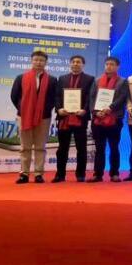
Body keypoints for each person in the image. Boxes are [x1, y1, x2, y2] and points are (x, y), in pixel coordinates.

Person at [10, 50, 57, 184]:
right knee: (25, 147)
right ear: (31, 61)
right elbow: (14, 96)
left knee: (40, 147)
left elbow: (54, 98)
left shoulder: (52, 80)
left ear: (45, 62)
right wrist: (23, 109)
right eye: (36, 60)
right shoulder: (21, 78)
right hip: (24, 116)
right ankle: (24, 174)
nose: (38, 62)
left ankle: (38, 174)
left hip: (44, 117)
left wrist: (44, 110)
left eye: (41, 60)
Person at [52, 55, 94, 183]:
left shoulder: (89, 79)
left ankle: (80, 174)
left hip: (80, 118)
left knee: (81, 148)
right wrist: (58, 109)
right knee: (62, 148)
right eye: (73, 62)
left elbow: (90, 97)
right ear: (70, 64)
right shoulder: (62, 78)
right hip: (64, 118)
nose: (76, 64)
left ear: (83, 64)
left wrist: (85, 110)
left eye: (78, 62)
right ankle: (60, 175)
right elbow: (57, 96)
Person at [88, 57, 129, 183]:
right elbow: (92, 98)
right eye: (107, 64)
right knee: (99, 148)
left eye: (112, 64)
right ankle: (98, 174)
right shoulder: (97, 80)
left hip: (114, 119)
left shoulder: (122, 81)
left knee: (114, 147)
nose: (109, 66)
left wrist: (110, 108)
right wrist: (96, 112)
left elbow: (122, 98)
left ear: (117, 67)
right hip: (98, 119)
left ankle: (114, 173)